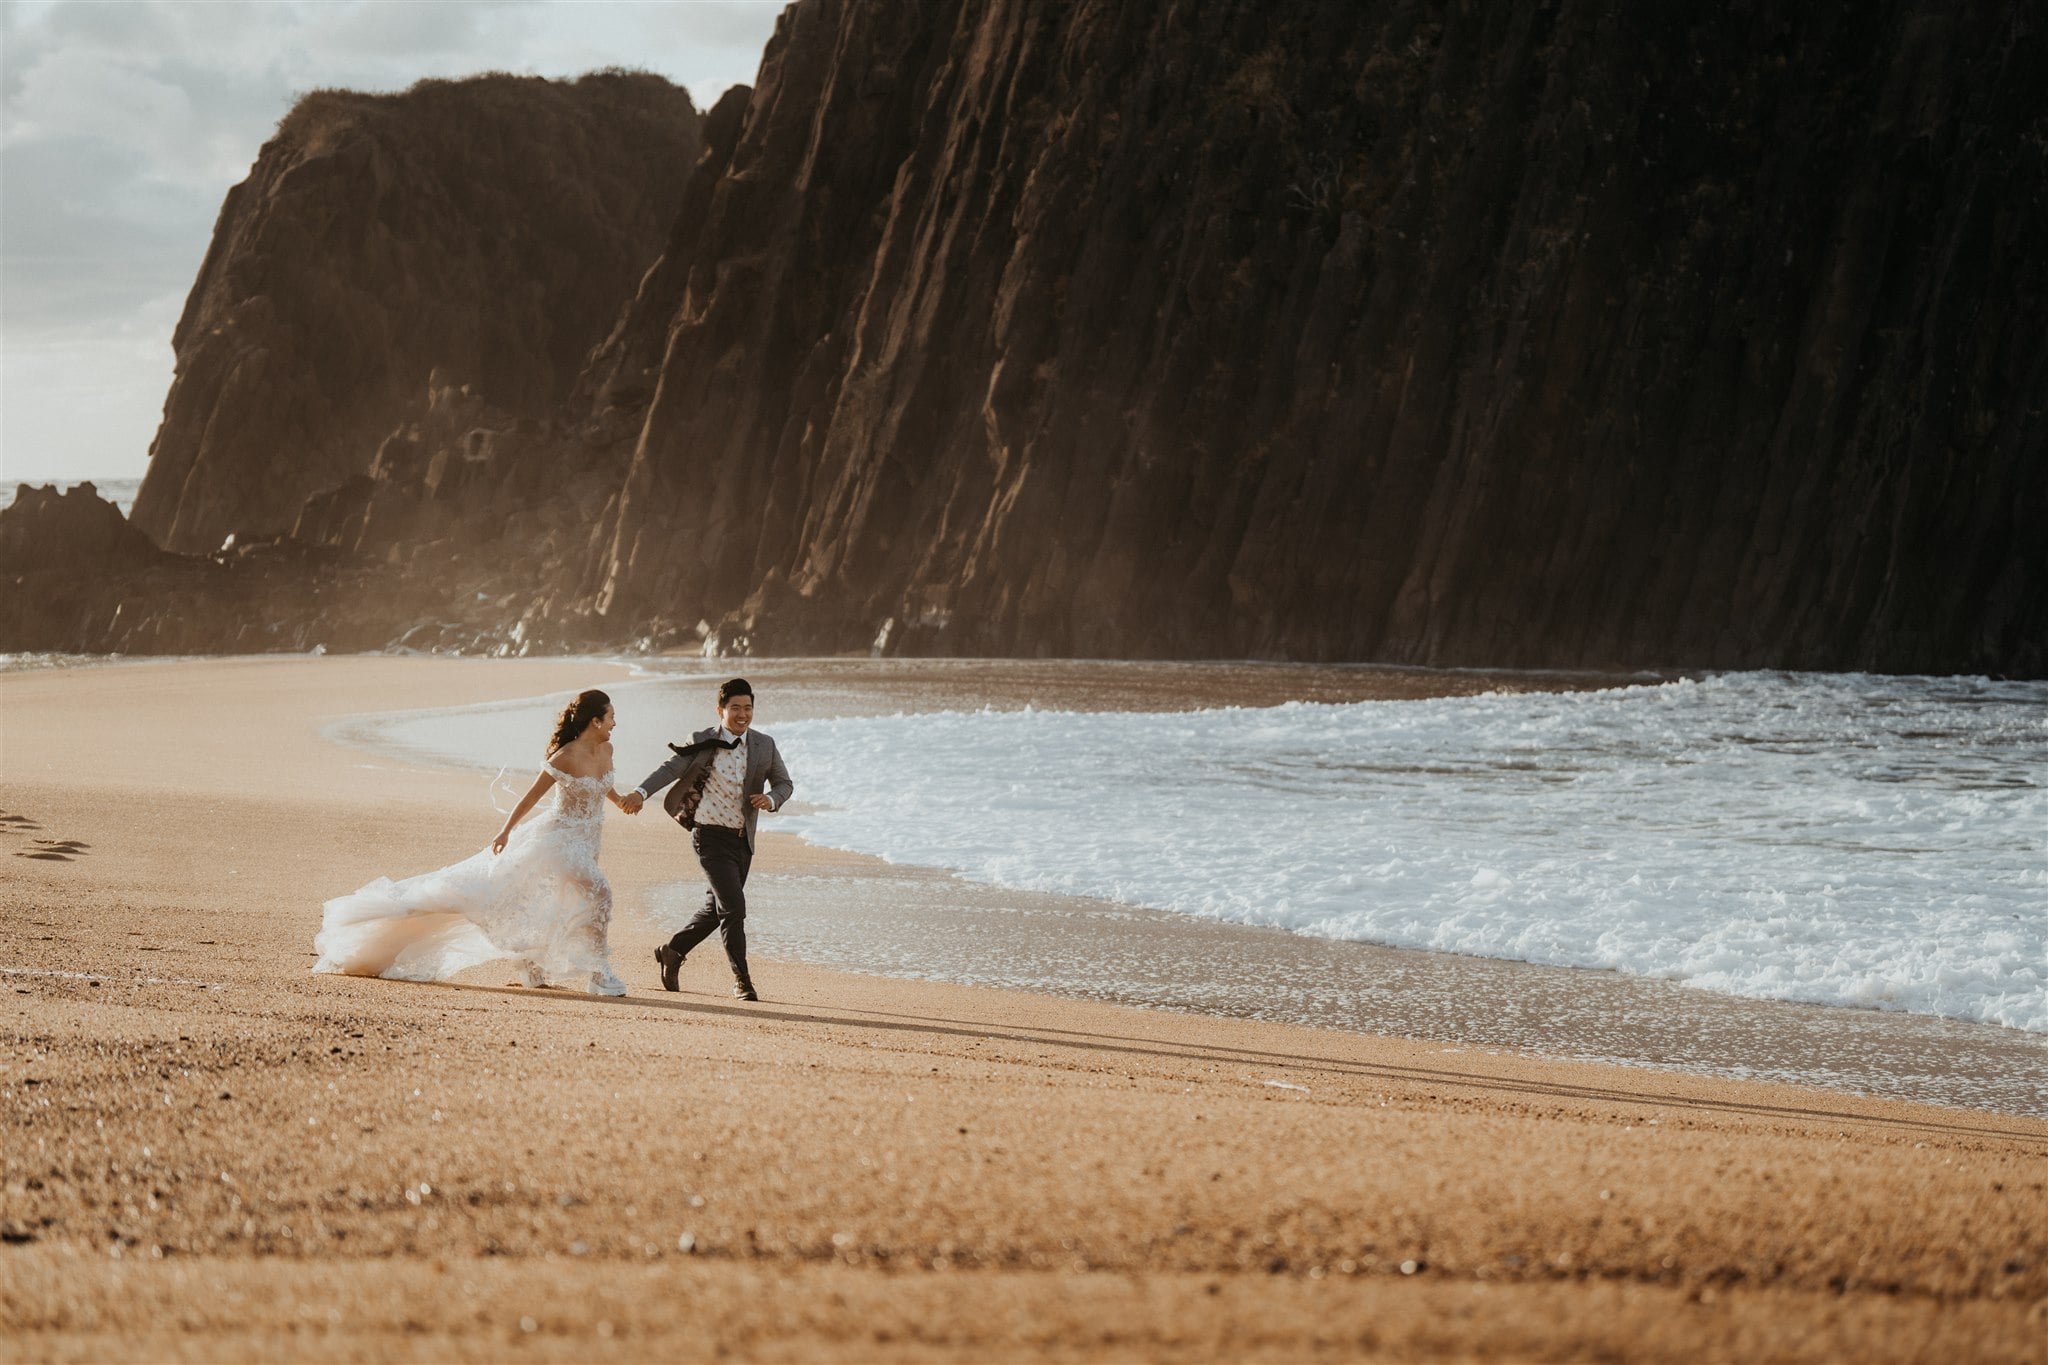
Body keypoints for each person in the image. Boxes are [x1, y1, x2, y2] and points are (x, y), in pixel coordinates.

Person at [313, 689, 631, 995]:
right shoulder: (565, 757)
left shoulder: (607, 750)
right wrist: (505, 831)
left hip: (588, 840)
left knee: (548, 900)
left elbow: (603, 785)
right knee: (599, 893)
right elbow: (531, 798)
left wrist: (621, 801)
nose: (616, 723)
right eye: (612, 717)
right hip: (560, 839)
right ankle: (600, 974)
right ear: (596, 721)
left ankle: (529, 963)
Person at [623, 677, 793, 1001]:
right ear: (720, 710)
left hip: (743, 841)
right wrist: (640, 792)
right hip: (709, 836)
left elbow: (785, 783)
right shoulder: (702, 740)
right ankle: (742, 981)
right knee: (734, 909)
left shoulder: (764, 745)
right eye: (735, 708)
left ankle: (673, 950)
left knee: (716, 910)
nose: (742, 714)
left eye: (748, 708)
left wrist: (771, 800)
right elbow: (670, 769)